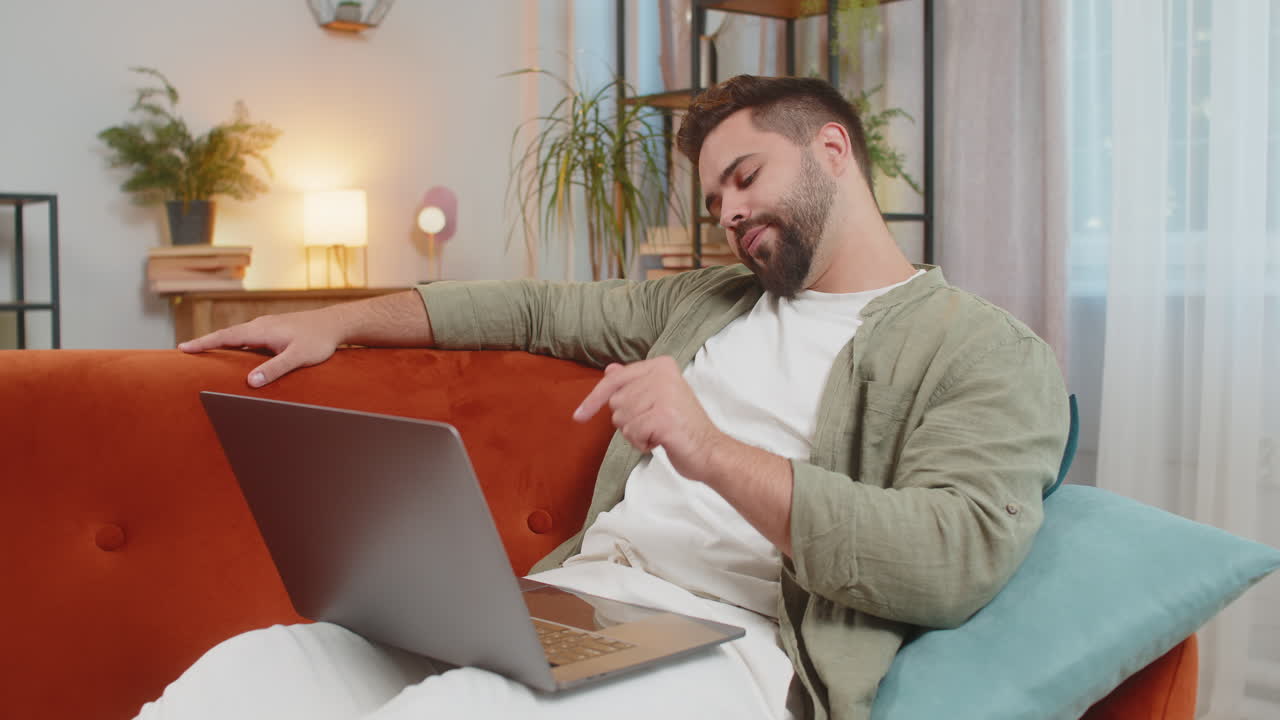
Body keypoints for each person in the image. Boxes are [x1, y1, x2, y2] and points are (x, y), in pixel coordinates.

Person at [145, 75, 1069, 720]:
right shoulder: (711, 302)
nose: (731, 214)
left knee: (463, 712)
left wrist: (705, 447)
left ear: (833, 149)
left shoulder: (980, 349)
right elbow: (539, 306)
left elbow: (953, 556)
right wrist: (342, 322)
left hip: (736, 648)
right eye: (716, 202)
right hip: (578, 606)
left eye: (745, 179)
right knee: (265, 671)